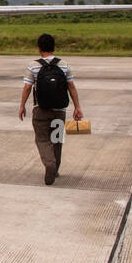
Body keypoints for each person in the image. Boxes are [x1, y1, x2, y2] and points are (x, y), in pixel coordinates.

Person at [19, 33, 84, 185]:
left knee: (42, 139)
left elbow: (27, 87)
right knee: (56, 139)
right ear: (54, 47)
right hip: (59, 110)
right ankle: (55, 167)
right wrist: (77, 107)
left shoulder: (33, 65)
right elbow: (71, 87)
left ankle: (50, 164)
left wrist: (22, 106)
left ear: (39, 48)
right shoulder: (64, 65)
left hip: (40, 109)